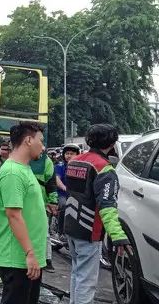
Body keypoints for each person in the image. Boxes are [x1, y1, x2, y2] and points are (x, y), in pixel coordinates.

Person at [63, 124, 131, 304]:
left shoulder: (75, 161)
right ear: (112, 143)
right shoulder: (104, 168)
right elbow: (107, 206)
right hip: (88, 230)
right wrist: (118, 236)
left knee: (77, 274)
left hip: (70, 225)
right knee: (86, 280)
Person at [0, 121, 47, 304]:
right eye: (41, 140)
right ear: (29, 140)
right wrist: (29, 253)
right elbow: (13, 215)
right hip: (18, 258)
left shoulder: (24, 168)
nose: (44, 146)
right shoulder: (13, 173)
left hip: (27, 257)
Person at [34, 155, 58, 273]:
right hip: (23, 202)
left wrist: (53, 201)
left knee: (45, 232)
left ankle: (47, 259)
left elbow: (51, 182)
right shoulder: (19, 157)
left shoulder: (46, 161)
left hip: (42, 202)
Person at [54, 144, 81, 241]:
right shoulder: (60, 166)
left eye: (72, 153)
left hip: (76, 194)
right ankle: (60, 232)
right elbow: (57, 179)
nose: (69, 155)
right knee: (65, 206)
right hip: (62, 194)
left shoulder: (81, 167)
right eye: (67, 153)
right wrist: (65, 188)